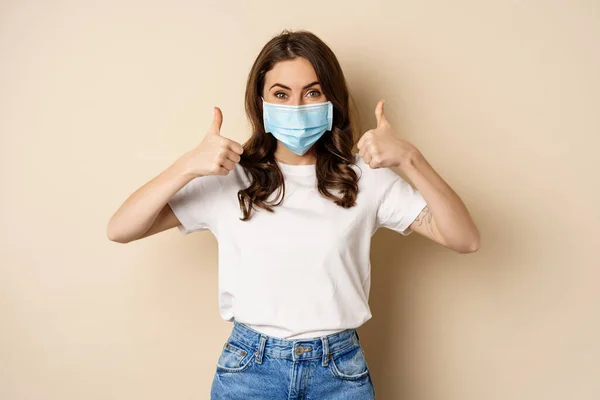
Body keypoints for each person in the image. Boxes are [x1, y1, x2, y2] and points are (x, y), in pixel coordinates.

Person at [107, 29, 480, 400]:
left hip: (340, 372)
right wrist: (186, 166)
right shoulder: (229, 178)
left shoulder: (365, 178)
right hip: (250, 370)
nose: (297, 108)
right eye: (281, 94)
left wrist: (410, 159)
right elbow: (121, 229)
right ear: (262, 102)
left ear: (331, 100)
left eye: (312, 93)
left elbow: (465, 238)